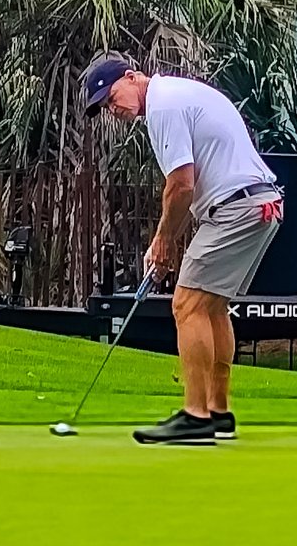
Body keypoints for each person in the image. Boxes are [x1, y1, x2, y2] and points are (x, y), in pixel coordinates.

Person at [80, 54, 284, 447]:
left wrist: (162, 241)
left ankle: (195, 416)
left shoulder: (163, 105)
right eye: (105, 106)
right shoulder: (176, 96)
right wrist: (170, 238)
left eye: (111, 96)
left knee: (186, 305)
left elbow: (181, 185)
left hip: (238, 207)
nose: (113, 108)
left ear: (132, 76)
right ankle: (218, 411)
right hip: (260, 204)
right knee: (211, 306)